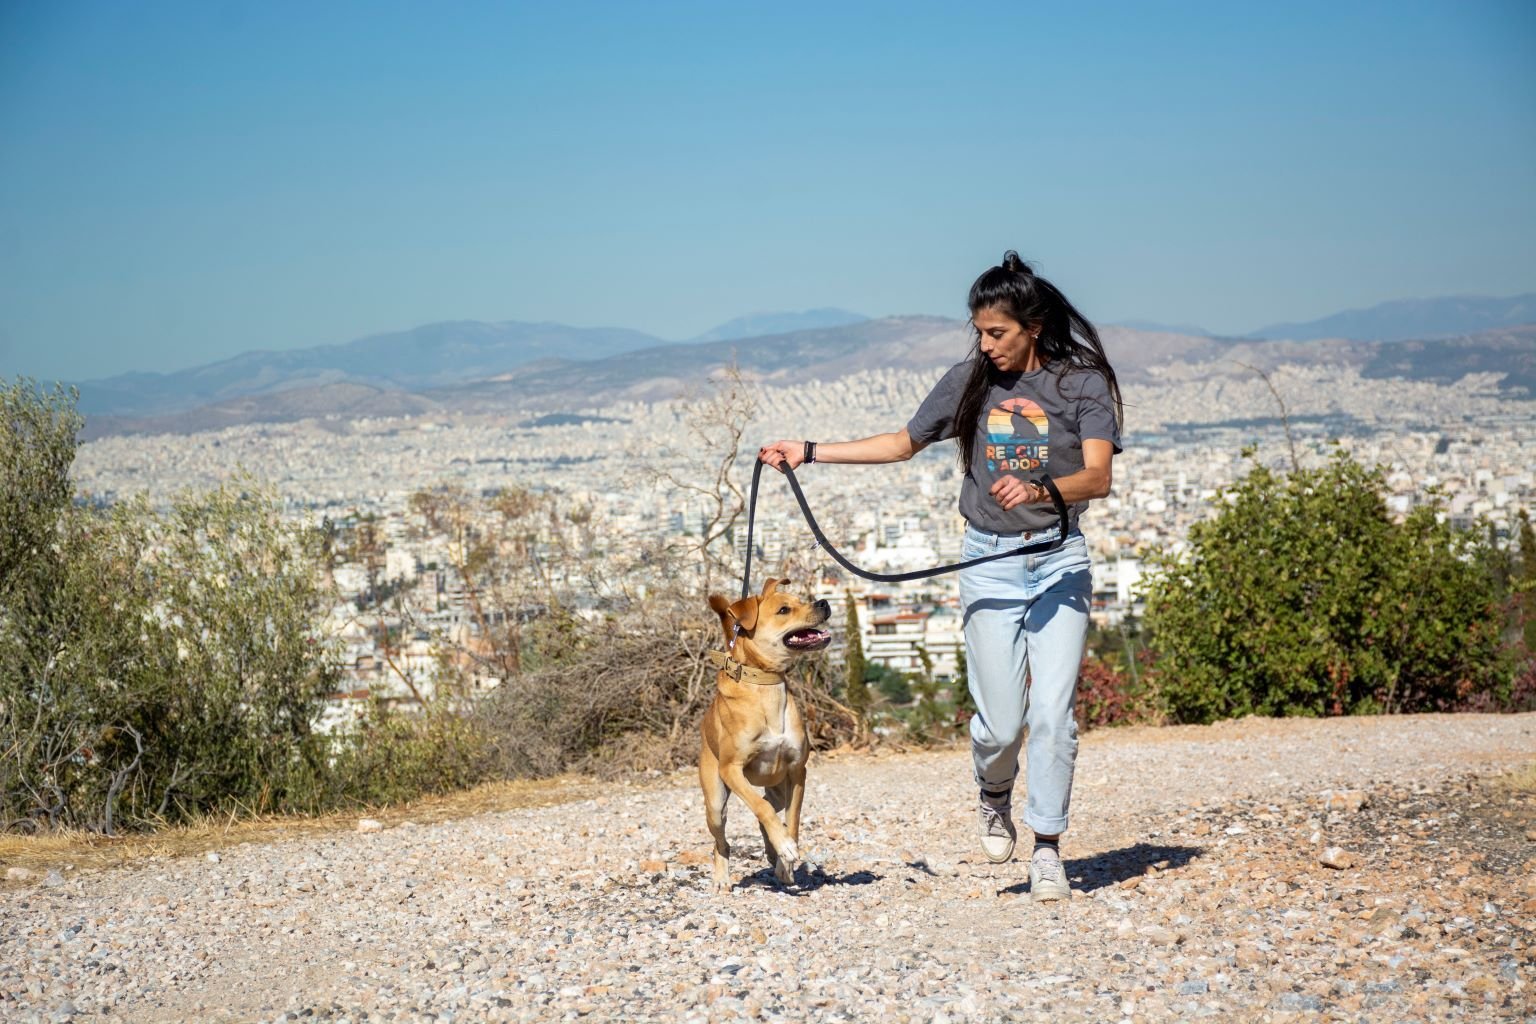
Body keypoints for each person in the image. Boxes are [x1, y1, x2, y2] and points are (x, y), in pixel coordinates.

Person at [759, 250, 1123, 902]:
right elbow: (903, 442)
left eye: (997, 333)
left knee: (1053, 713)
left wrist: (1042, 484)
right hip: (988, 560)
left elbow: (1098, 475)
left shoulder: (1082, 384)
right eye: (979, 332)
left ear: (1032, 324)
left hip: (1059, 557)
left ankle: (1046, 845)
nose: (986, 346)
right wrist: (807, 452)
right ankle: (993, 793)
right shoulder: (971, 379)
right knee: (1000, 724)